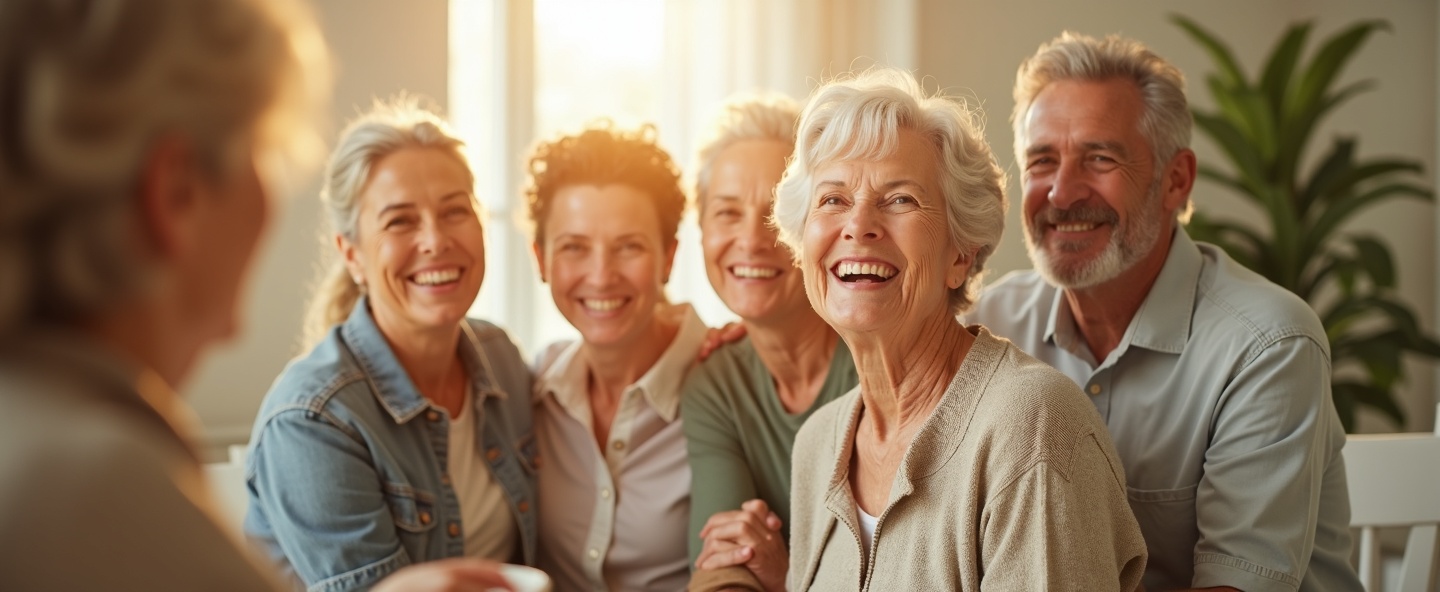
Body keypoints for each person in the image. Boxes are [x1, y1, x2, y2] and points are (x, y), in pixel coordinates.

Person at [0, 0, 514, 590]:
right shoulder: (93, 485)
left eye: (456, 211)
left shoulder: (47, 431)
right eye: (265, 153)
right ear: (176, 192)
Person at [966, 32, 1362, 592]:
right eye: (1042, 160)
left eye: (1099, 158)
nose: (1060, 193)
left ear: (1176, 180)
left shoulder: (1268, 344)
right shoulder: (990, 323)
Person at [771, 68, 1146, 591]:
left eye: (900, 199)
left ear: (961, 254)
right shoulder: (819, 442)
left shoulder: (1031, 427)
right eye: (832, 200)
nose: (858, 225)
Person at [245, 100, 537, 590]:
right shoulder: (312, 419)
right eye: (400, 221)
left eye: (455, 211)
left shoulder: (499, 357)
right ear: (352, 253)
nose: (435, 240)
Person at [680, 95, 858, 592]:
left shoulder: (876, 363)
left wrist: (788, 578)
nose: (752, 241)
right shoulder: (715, 382)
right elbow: (722, 559)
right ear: (701, 231)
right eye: (727, 213)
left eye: (776, 214)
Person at [526, 122, 705, 592]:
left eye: (629, 247)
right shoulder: (532, 387)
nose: (601, 276)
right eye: (574, 248)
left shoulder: (727, 386)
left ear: (668, 258)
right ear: (541, 260)